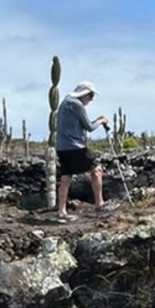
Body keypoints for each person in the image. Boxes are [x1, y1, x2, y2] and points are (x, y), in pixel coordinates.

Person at [53, 80, 112, 219]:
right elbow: (89, 128)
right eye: (91, 96)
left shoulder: (65, 102)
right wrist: (101, 121)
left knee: (66, 177)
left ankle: (62, 211)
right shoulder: (77, 104)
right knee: (97, 170)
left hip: (61, 147)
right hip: (75, 146)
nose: (91, 99)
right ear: (84, 94)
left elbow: (82, 123)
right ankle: (99, 205)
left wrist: (95, 121)